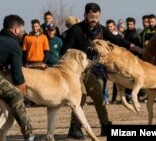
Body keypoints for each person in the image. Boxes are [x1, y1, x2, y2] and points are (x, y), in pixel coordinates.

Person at [60, 2, 141, 139]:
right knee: (82, 97)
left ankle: (105, 126)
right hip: (74, 72)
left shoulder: (101, 30)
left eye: (96, 18)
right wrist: (79, 56)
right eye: (91, 18)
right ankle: (74, 128)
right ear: (85, 15)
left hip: (88, 70)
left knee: (99, 95)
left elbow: (117, 40)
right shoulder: (75, 30)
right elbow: (63, 52)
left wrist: (136, 48)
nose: (94, 21)